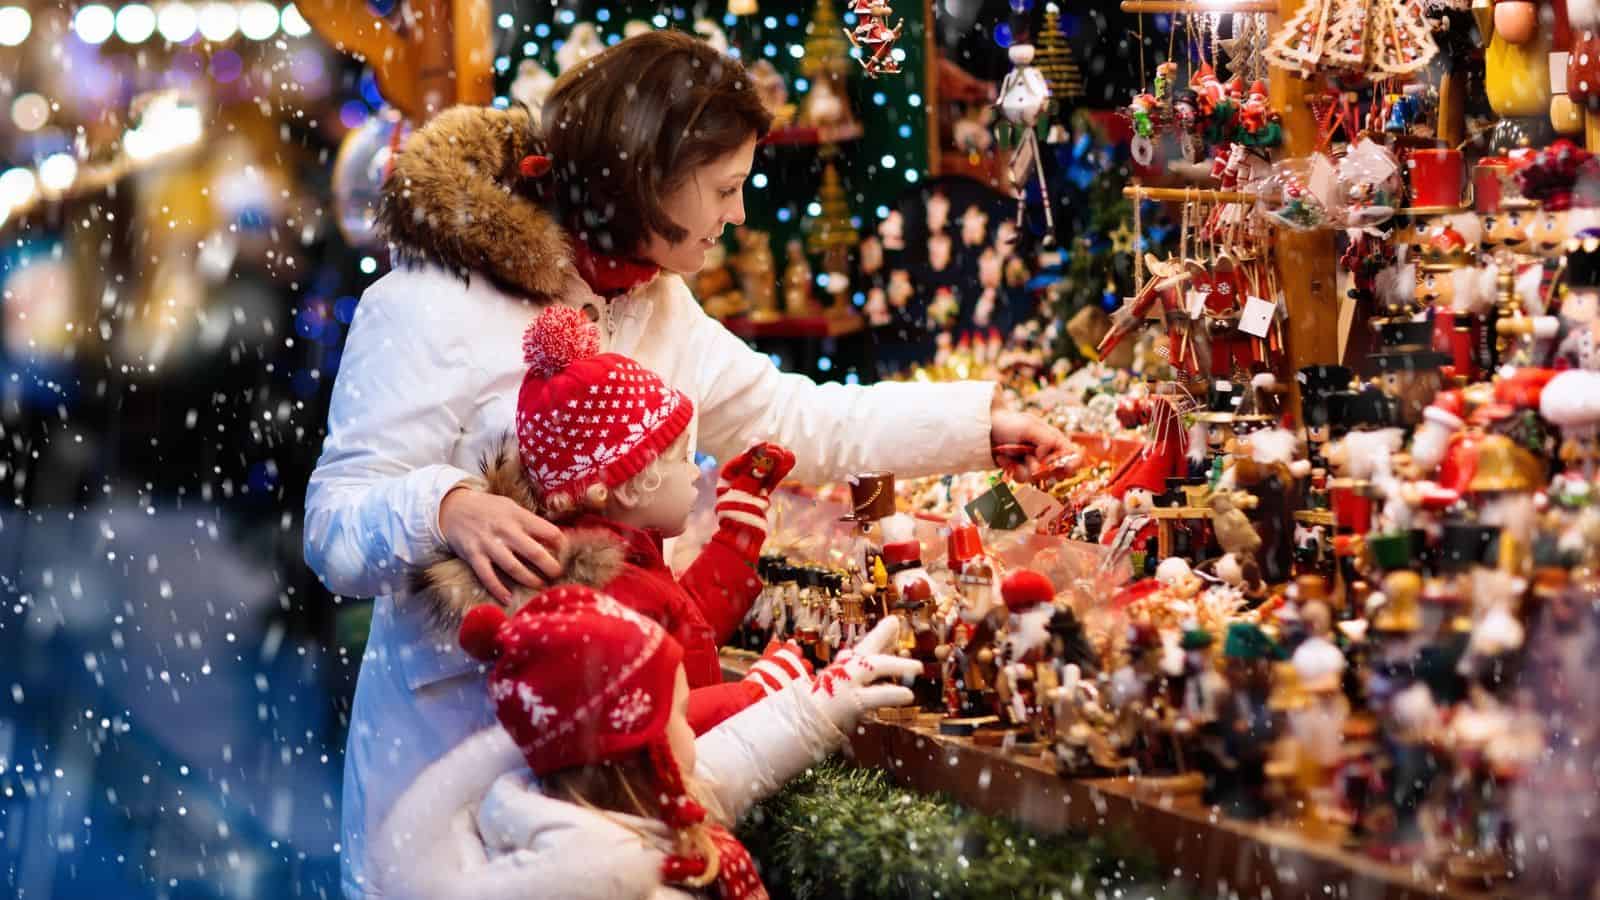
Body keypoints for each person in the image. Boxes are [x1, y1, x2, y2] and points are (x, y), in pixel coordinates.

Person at [303, 30, 1070, 898]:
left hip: (616, 786)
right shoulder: (426, 305)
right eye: (725, 190)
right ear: (645, 178)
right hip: (452, 770)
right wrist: (444, 507)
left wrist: (982, 423)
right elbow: (334, 528)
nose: (737, 217)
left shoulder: (658, 302)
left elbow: (794, 419)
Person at [365, 587, 919, 899]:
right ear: (637, 751)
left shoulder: (579, 808)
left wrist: (819, 701)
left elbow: (735, 757)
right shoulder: (627, 886)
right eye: (678, 714)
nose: (691, 726)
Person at [414, 305, 809, 734]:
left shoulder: (625, 562)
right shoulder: (609, 595)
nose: (696, 470)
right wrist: (757, 695)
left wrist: (738, 535)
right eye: (681, 458)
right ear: (626, 484)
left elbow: (685, 628)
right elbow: (654, 720)